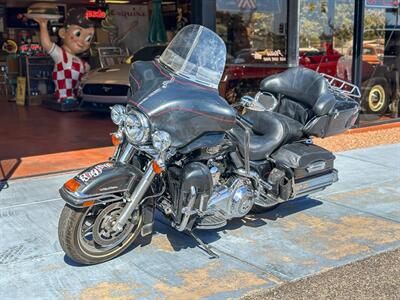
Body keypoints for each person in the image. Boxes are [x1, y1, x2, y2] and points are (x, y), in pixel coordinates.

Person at [34, 8, 94, 105]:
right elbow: (46, 43)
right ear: (62, 33)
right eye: (78, 34)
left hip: (78, 97)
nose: (82, 41)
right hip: (64, 97)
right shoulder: (60, 54)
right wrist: (43, 25)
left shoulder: (82, 62)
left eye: (88, 39)